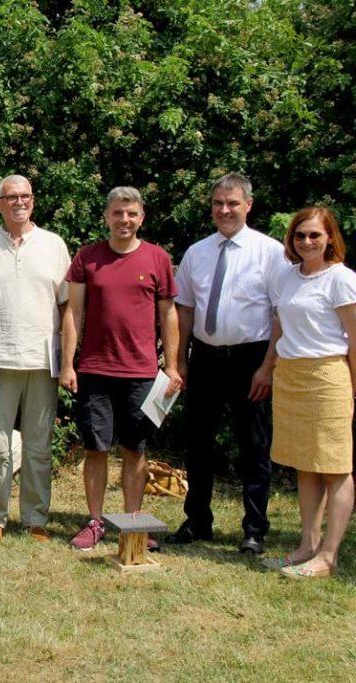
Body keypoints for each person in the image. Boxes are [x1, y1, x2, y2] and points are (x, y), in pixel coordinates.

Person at [167, 173, 288, 554]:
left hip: (251, 359)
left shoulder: (270, 253)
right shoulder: (197, 252)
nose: (224, 210)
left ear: (248, 205)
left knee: (253, 445)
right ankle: (197, 521)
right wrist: (180, 360)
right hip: (205, 357)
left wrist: (267, 367)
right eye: (218, 203)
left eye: (232, 203)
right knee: (198, 443)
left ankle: (254, 528)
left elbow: (280, 314)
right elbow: (185, 309)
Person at [60, 186, 181, 551]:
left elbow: (168, 314)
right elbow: (73, 312)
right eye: (117, 213)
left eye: (131, 214)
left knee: (135, 449)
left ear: (141, 218)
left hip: (142, 372)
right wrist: (68, 364)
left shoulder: (158, 258)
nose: (124, 220)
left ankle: (133, 524)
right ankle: (95, 522)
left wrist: (172, 366)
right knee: (95, 449)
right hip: (94, 370)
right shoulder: (88, 257)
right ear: (106, 217)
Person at [256, 207, 356, 578]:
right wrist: (268, 366)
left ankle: (328, 557)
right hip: (291, 376)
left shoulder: (341, 279)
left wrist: (355, 391)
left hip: (328, 377)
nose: (307, 241)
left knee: (335, 467)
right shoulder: (287, 276)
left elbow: (355, 340)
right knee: (305, 464)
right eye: (300, 235)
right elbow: (279, 327)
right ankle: (307, 548)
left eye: (315, 235)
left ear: (330, 238)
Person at [0, 175, 70, 542]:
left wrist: (68, 360)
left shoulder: (53, 245)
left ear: (33, 200)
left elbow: (68, 307)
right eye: (11, 197)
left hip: (43, 360)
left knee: (38, 446)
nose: (19, 202)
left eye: (25, 196)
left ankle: (35, 518)